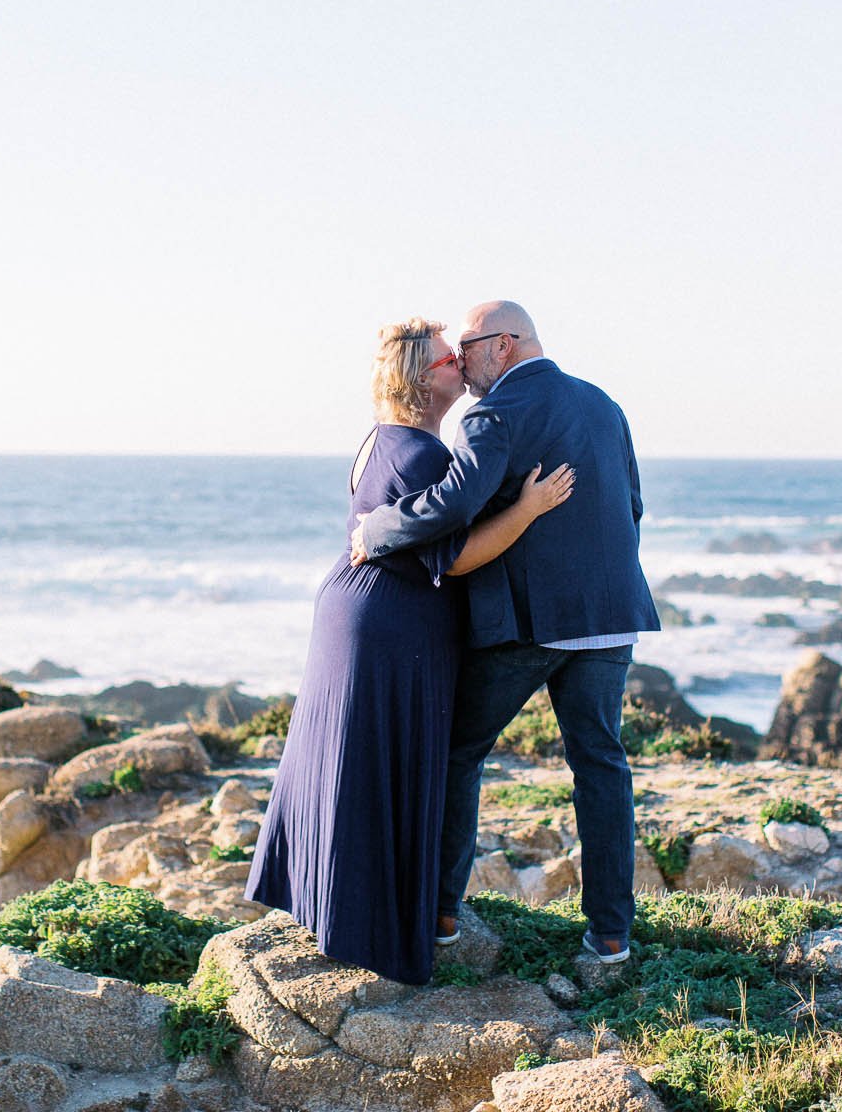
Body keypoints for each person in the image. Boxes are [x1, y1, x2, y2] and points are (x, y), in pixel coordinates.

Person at [247, 317, 574, 984]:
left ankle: (332, 905)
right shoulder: (424, 456)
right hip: (393, 621)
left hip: (352, 605)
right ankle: (374, 925)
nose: (461, 363)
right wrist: (532, 508)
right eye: (448, 359)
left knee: (349, 761)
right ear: (424, 380)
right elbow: (458, 559)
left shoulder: (376, 441)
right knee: (381, 766)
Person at [349, 300, 656, 963]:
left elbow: (454, 502)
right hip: (608, 620)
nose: (461, 361)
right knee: (601, 766)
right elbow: (633, 505)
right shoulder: (604, 404)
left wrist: (377, 531)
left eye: (468, 347)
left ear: (504, 345)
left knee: (459, 753)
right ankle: (610, 937)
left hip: (529, 622)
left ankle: (439, 917)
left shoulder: (493, 414)